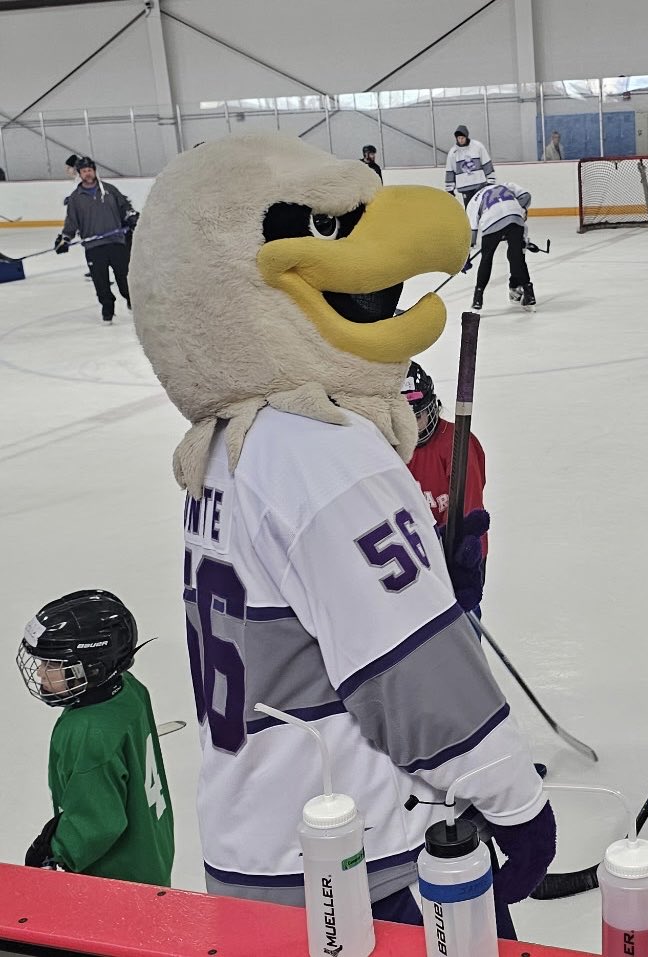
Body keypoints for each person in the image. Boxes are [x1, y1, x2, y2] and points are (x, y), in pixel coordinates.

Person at [131, 134, 555, 942]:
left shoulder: (222, 448)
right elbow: (409, 670)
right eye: (329, 227)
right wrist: (513, 799)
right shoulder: (319, 451)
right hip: (358, 863)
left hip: (254, 839)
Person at [18, 590, 174, 887]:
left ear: (90, 667)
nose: (39, 673)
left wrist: (55, 852)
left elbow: (98, 823)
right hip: (150, 853)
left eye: (52, 664)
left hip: (118, 881)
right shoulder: (130, 690)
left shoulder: (87, 732)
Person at [403, 361, 488, 615]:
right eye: (403, 417)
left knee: (461, 624)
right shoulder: (390, 448)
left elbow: (469, 509)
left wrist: (457, 556)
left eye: (417, 416)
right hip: (417, 561)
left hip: (461, 556)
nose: (410, 426)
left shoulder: (457, 445)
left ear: (431, 407)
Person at [55, 157, 137, 322]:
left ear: (94, 171)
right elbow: (71, 222)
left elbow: (125, 208)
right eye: (84, 171)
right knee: (101, 282)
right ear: (79, 174)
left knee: (124, 277)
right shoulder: (75, 198)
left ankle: (131, 299)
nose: (88, 174)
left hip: (116, 242)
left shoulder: (109, 190)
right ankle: (107, 308)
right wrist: (65, 238)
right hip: (94, 246)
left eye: (90, 170)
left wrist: (131, 217)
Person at [466, 181, 538, 311]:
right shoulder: (505, 185)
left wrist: (467, 254)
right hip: (515, 216)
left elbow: (472, 228)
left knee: (486, 259)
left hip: (491, 220)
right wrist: (517, 209)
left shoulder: (474, 199)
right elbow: (526, 196)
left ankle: (478, 299)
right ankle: (529, 294)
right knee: (516, 257)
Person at [445, 124, 495, 207]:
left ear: (466, 137)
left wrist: (491, 181)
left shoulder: (478, 147)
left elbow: (486, 164)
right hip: (465, 187)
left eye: (462, 138)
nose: (461, 140)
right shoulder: (453, 152)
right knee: (469, 208)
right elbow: (450, 171)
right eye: (459, 138)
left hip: (480, 185)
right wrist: (450, 189)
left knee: (481, 207)